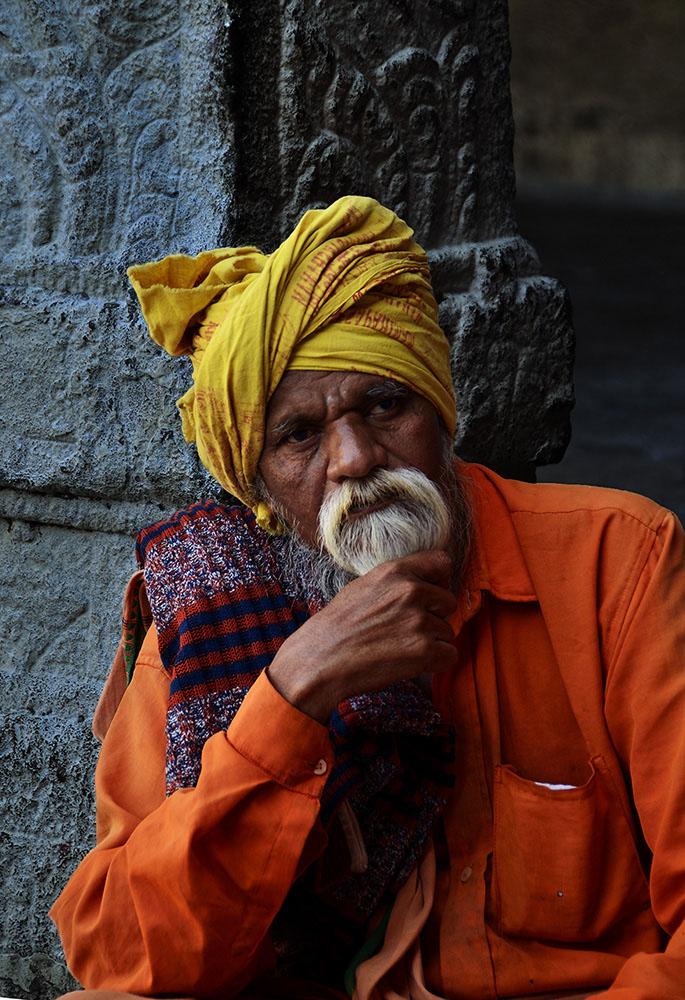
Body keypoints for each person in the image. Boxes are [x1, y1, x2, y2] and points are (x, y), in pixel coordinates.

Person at [51, 196, 685, 1000]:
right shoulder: (207, 605)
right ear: (262, 493)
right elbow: (117, 952)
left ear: (439, 413)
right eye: (298, 436)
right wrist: (292, 695)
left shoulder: (616, 559)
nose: (353, 458)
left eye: (384, 405)